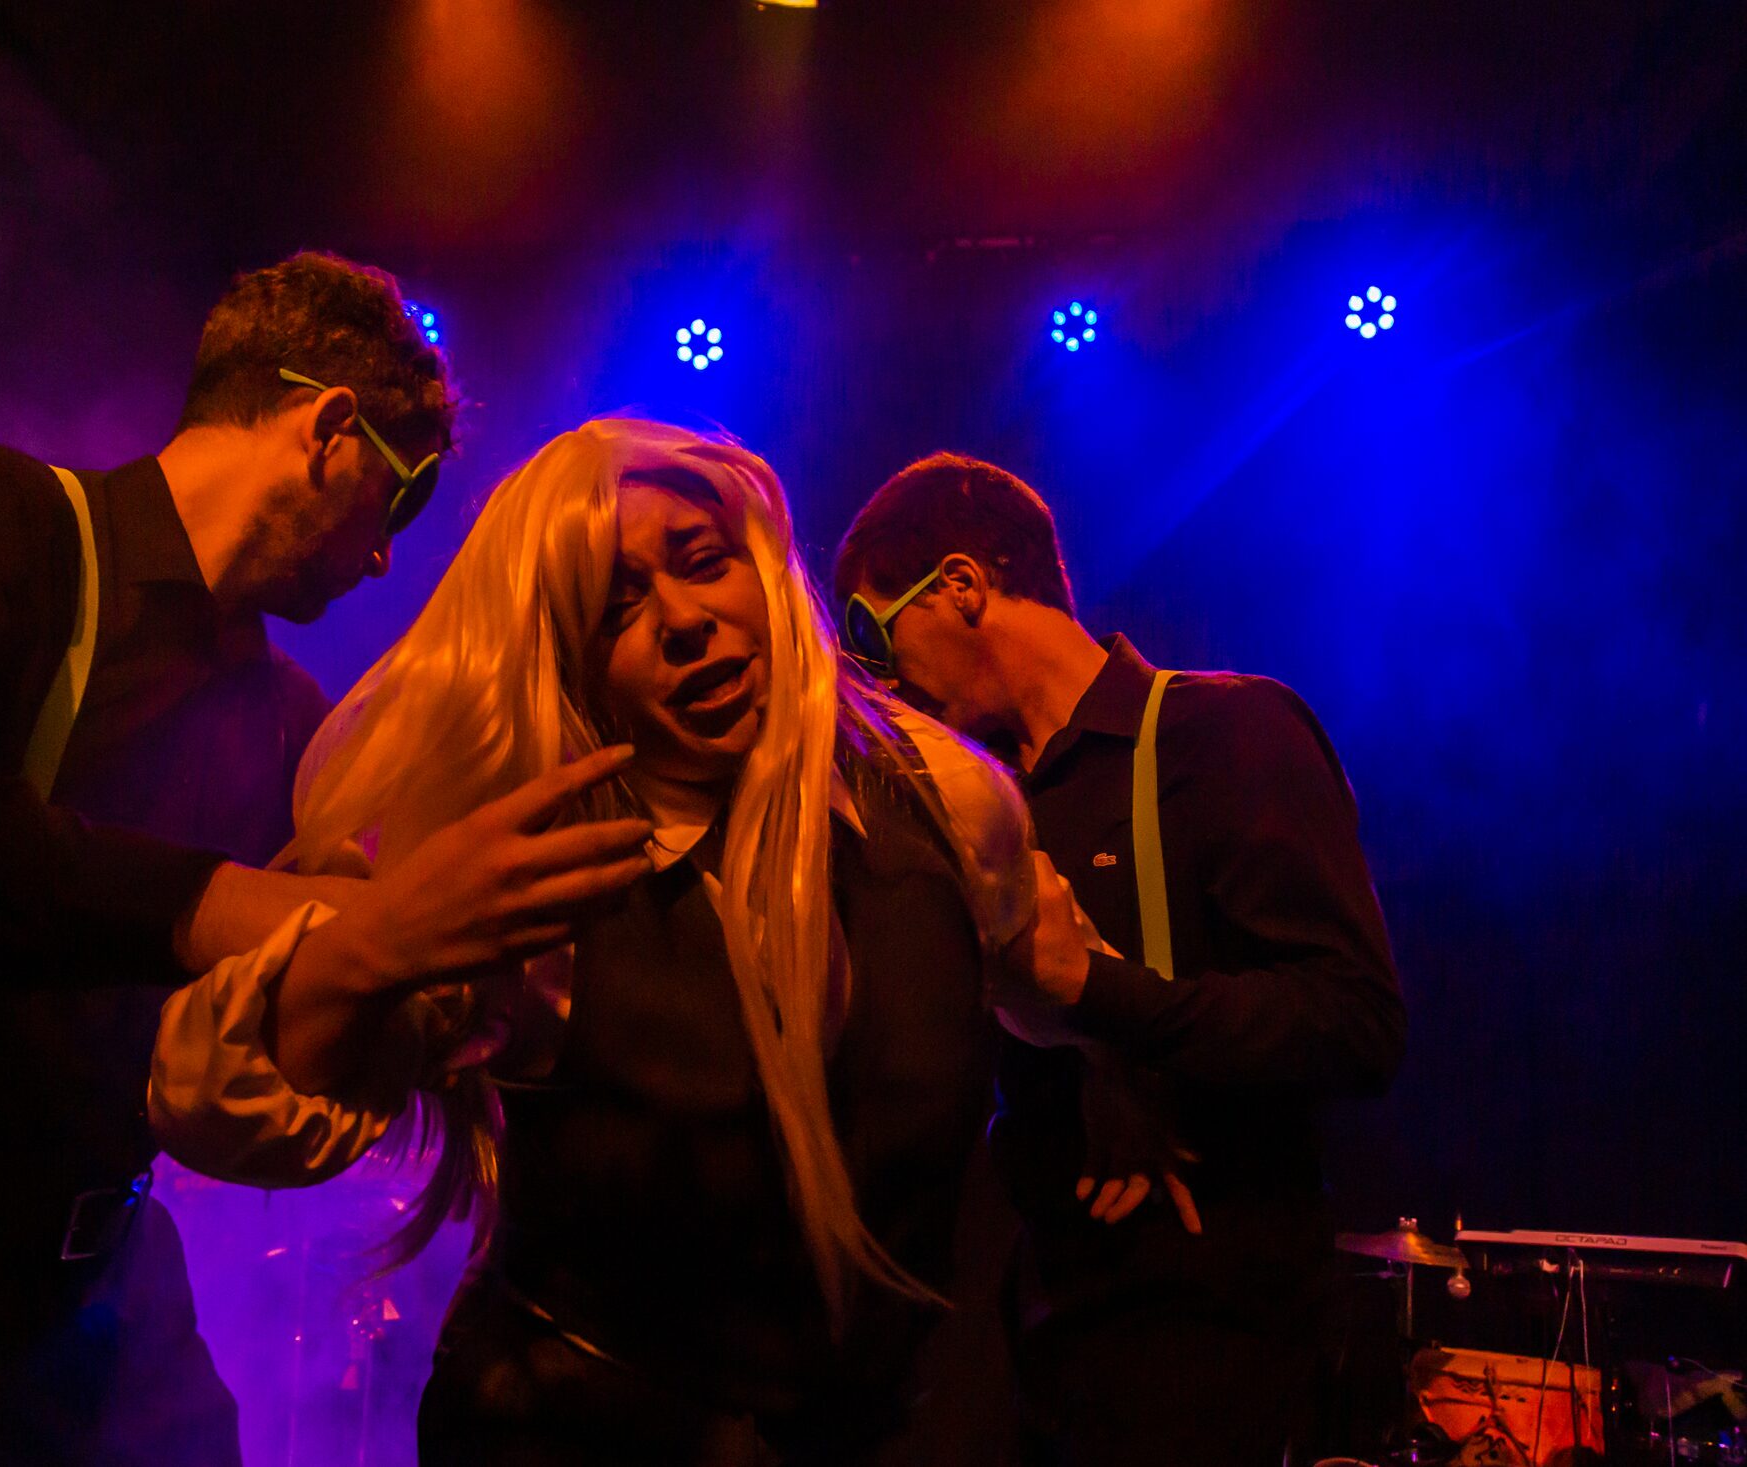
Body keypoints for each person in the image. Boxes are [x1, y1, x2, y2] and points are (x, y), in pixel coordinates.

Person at [0, 252, 642, 1467]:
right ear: (329, 428)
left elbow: (299, 994)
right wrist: (213, 903)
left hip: (91, 1277)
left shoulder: (287, 719)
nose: (386, 556)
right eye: (405, 494)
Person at [148, 419, 1087, 1465]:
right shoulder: (536, 881)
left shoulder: (945, 797)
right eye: (614, 609)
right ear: (569, 662)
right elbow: (215, 1102)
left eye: (704, 561)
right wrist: (376, 944)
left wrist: (1118, 1097)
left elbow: (1052, 986)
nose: (683, 620)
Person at [832, 452, 1407, 1466]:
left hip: (1203, 1340)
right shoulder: (974, 808)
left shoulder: (1222, 732)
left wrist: (1104, 999)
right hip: (1024, 1343)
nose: (876, 678)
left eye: (873, 633)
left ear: (962, 586)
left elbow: (1354, 1021)